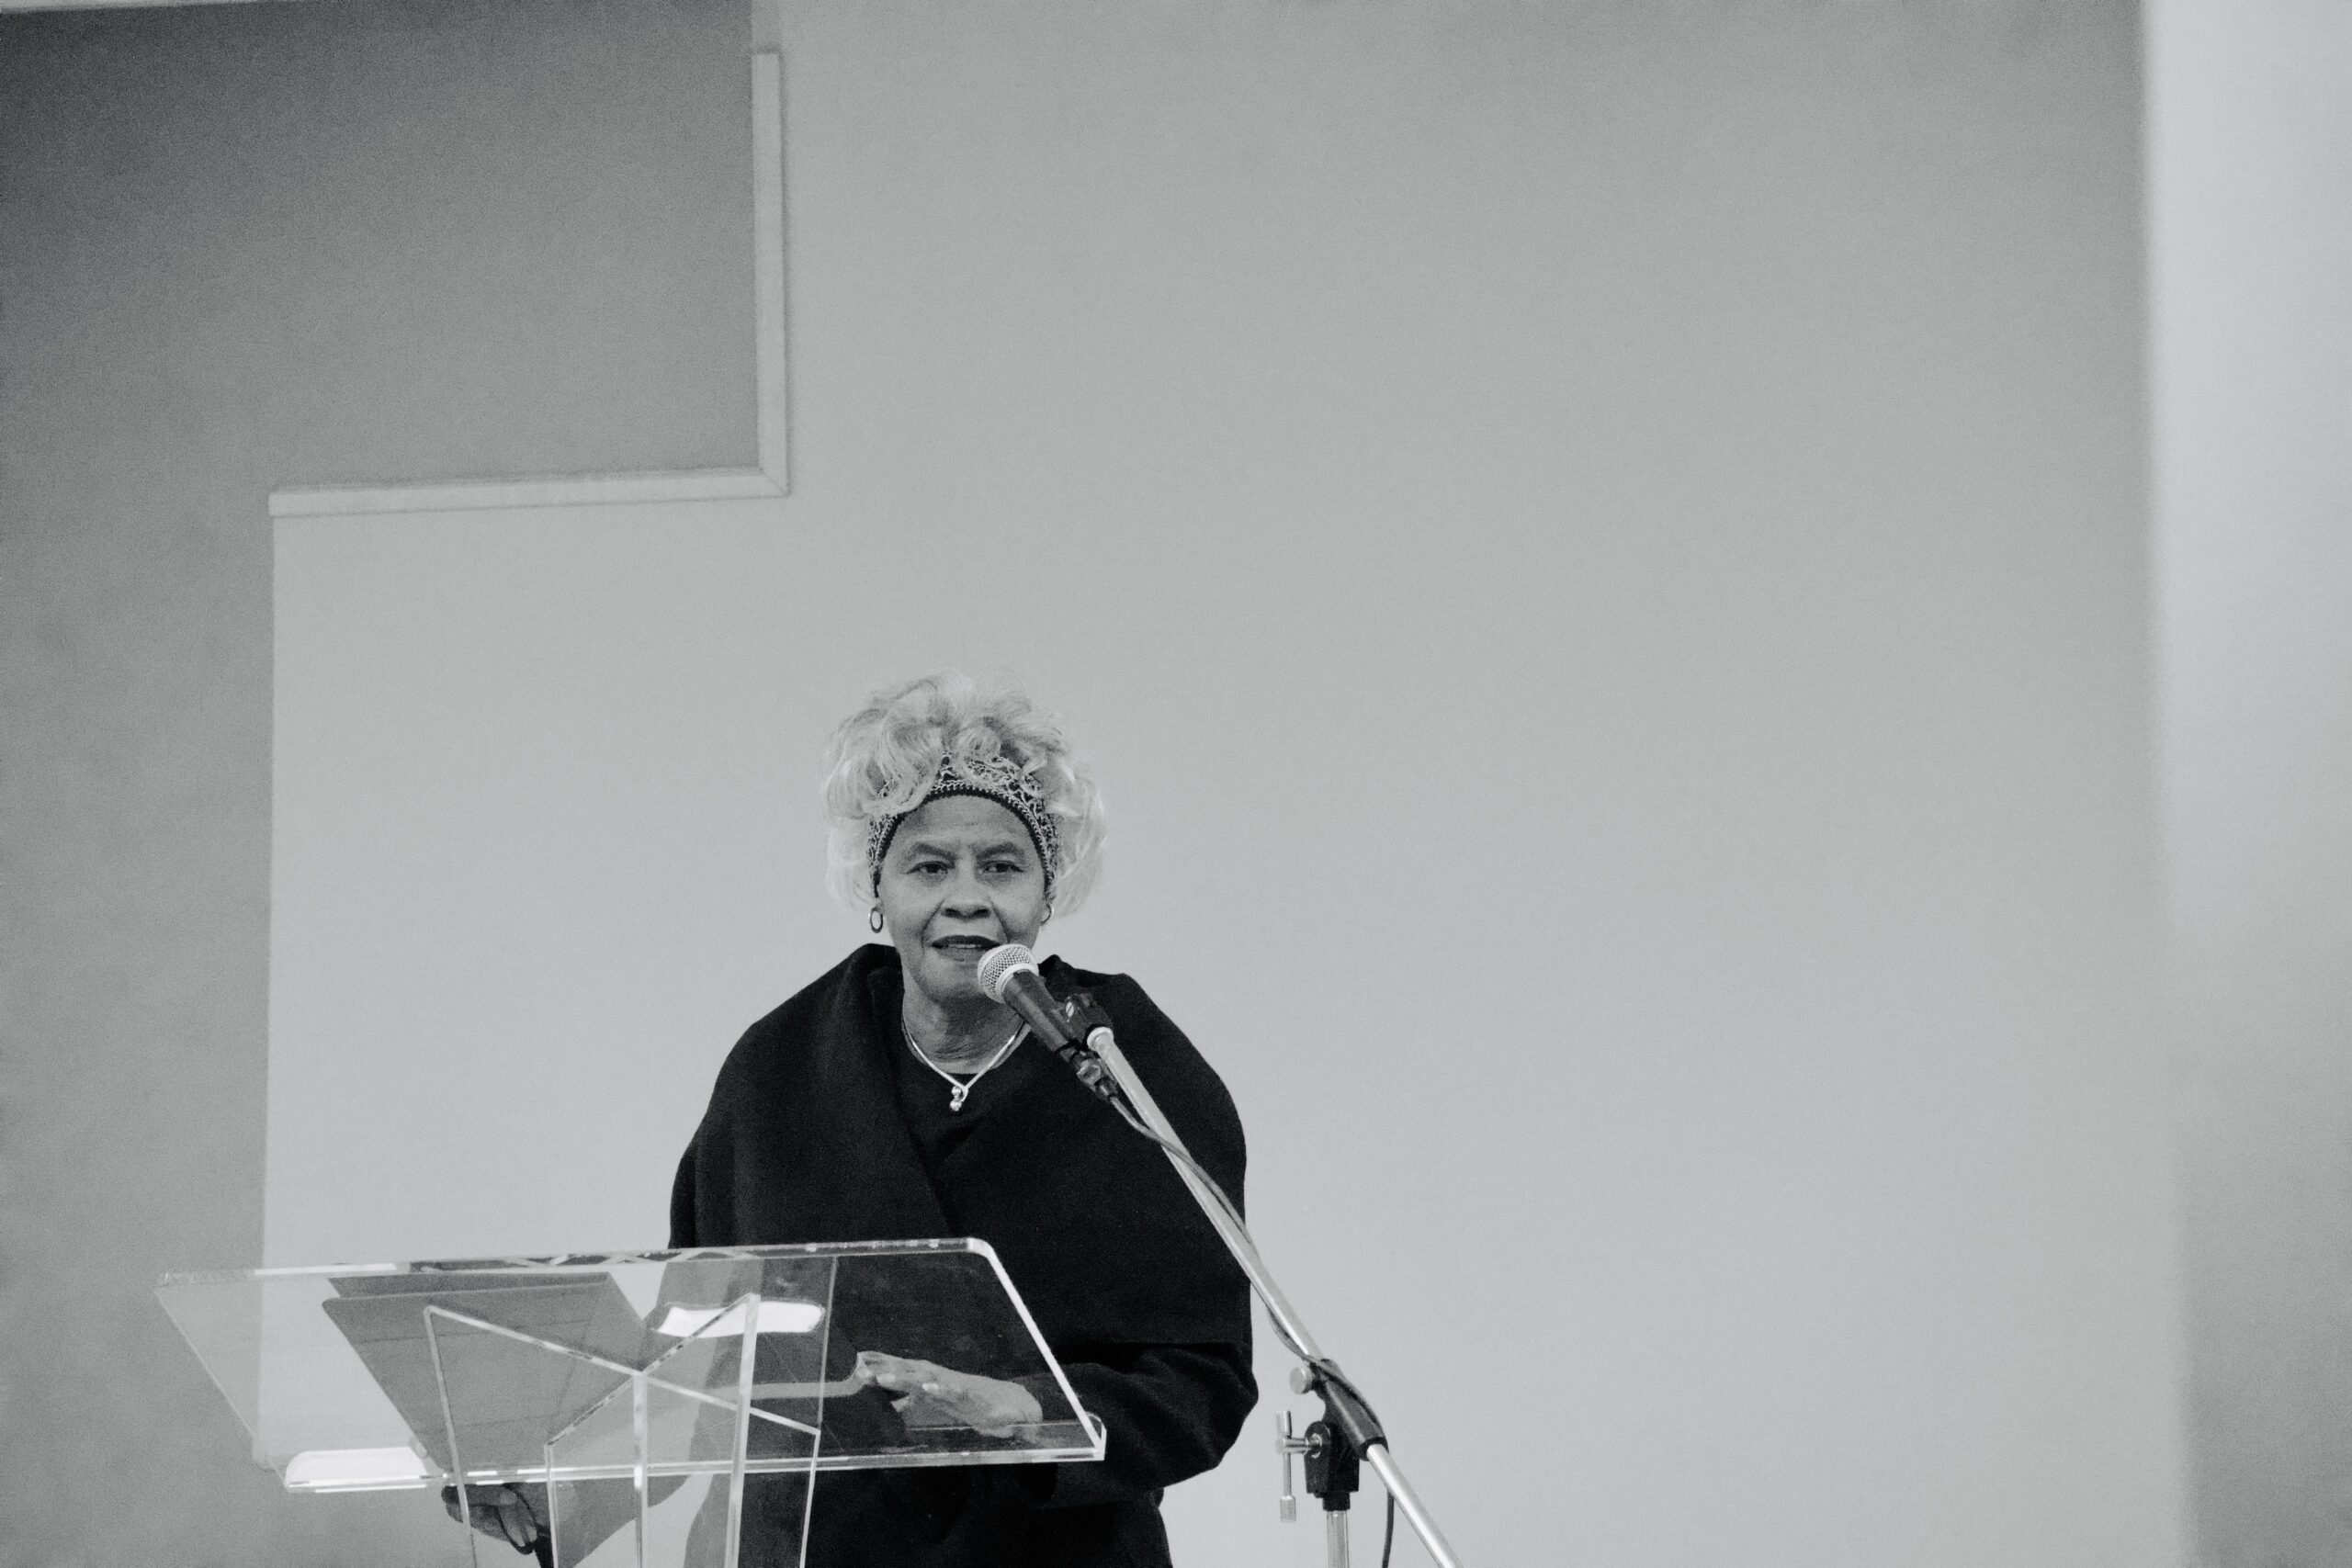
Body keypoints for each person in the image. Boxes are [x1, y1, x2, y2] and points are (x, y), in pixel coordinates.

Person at [453, 671, 1255, 1567]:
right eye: (929, 865)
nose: (966, 896)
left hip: (1052, 1550)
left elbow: (1201, 1381)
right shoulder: (781, 1072)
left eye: (1000, 865)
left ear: (1046, 892)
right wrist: (563, 1487)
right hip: (813, 1546)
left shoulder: (1126, 1068)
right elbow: (701, 1357)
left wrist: (1028, 1407)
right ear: (878, 888)